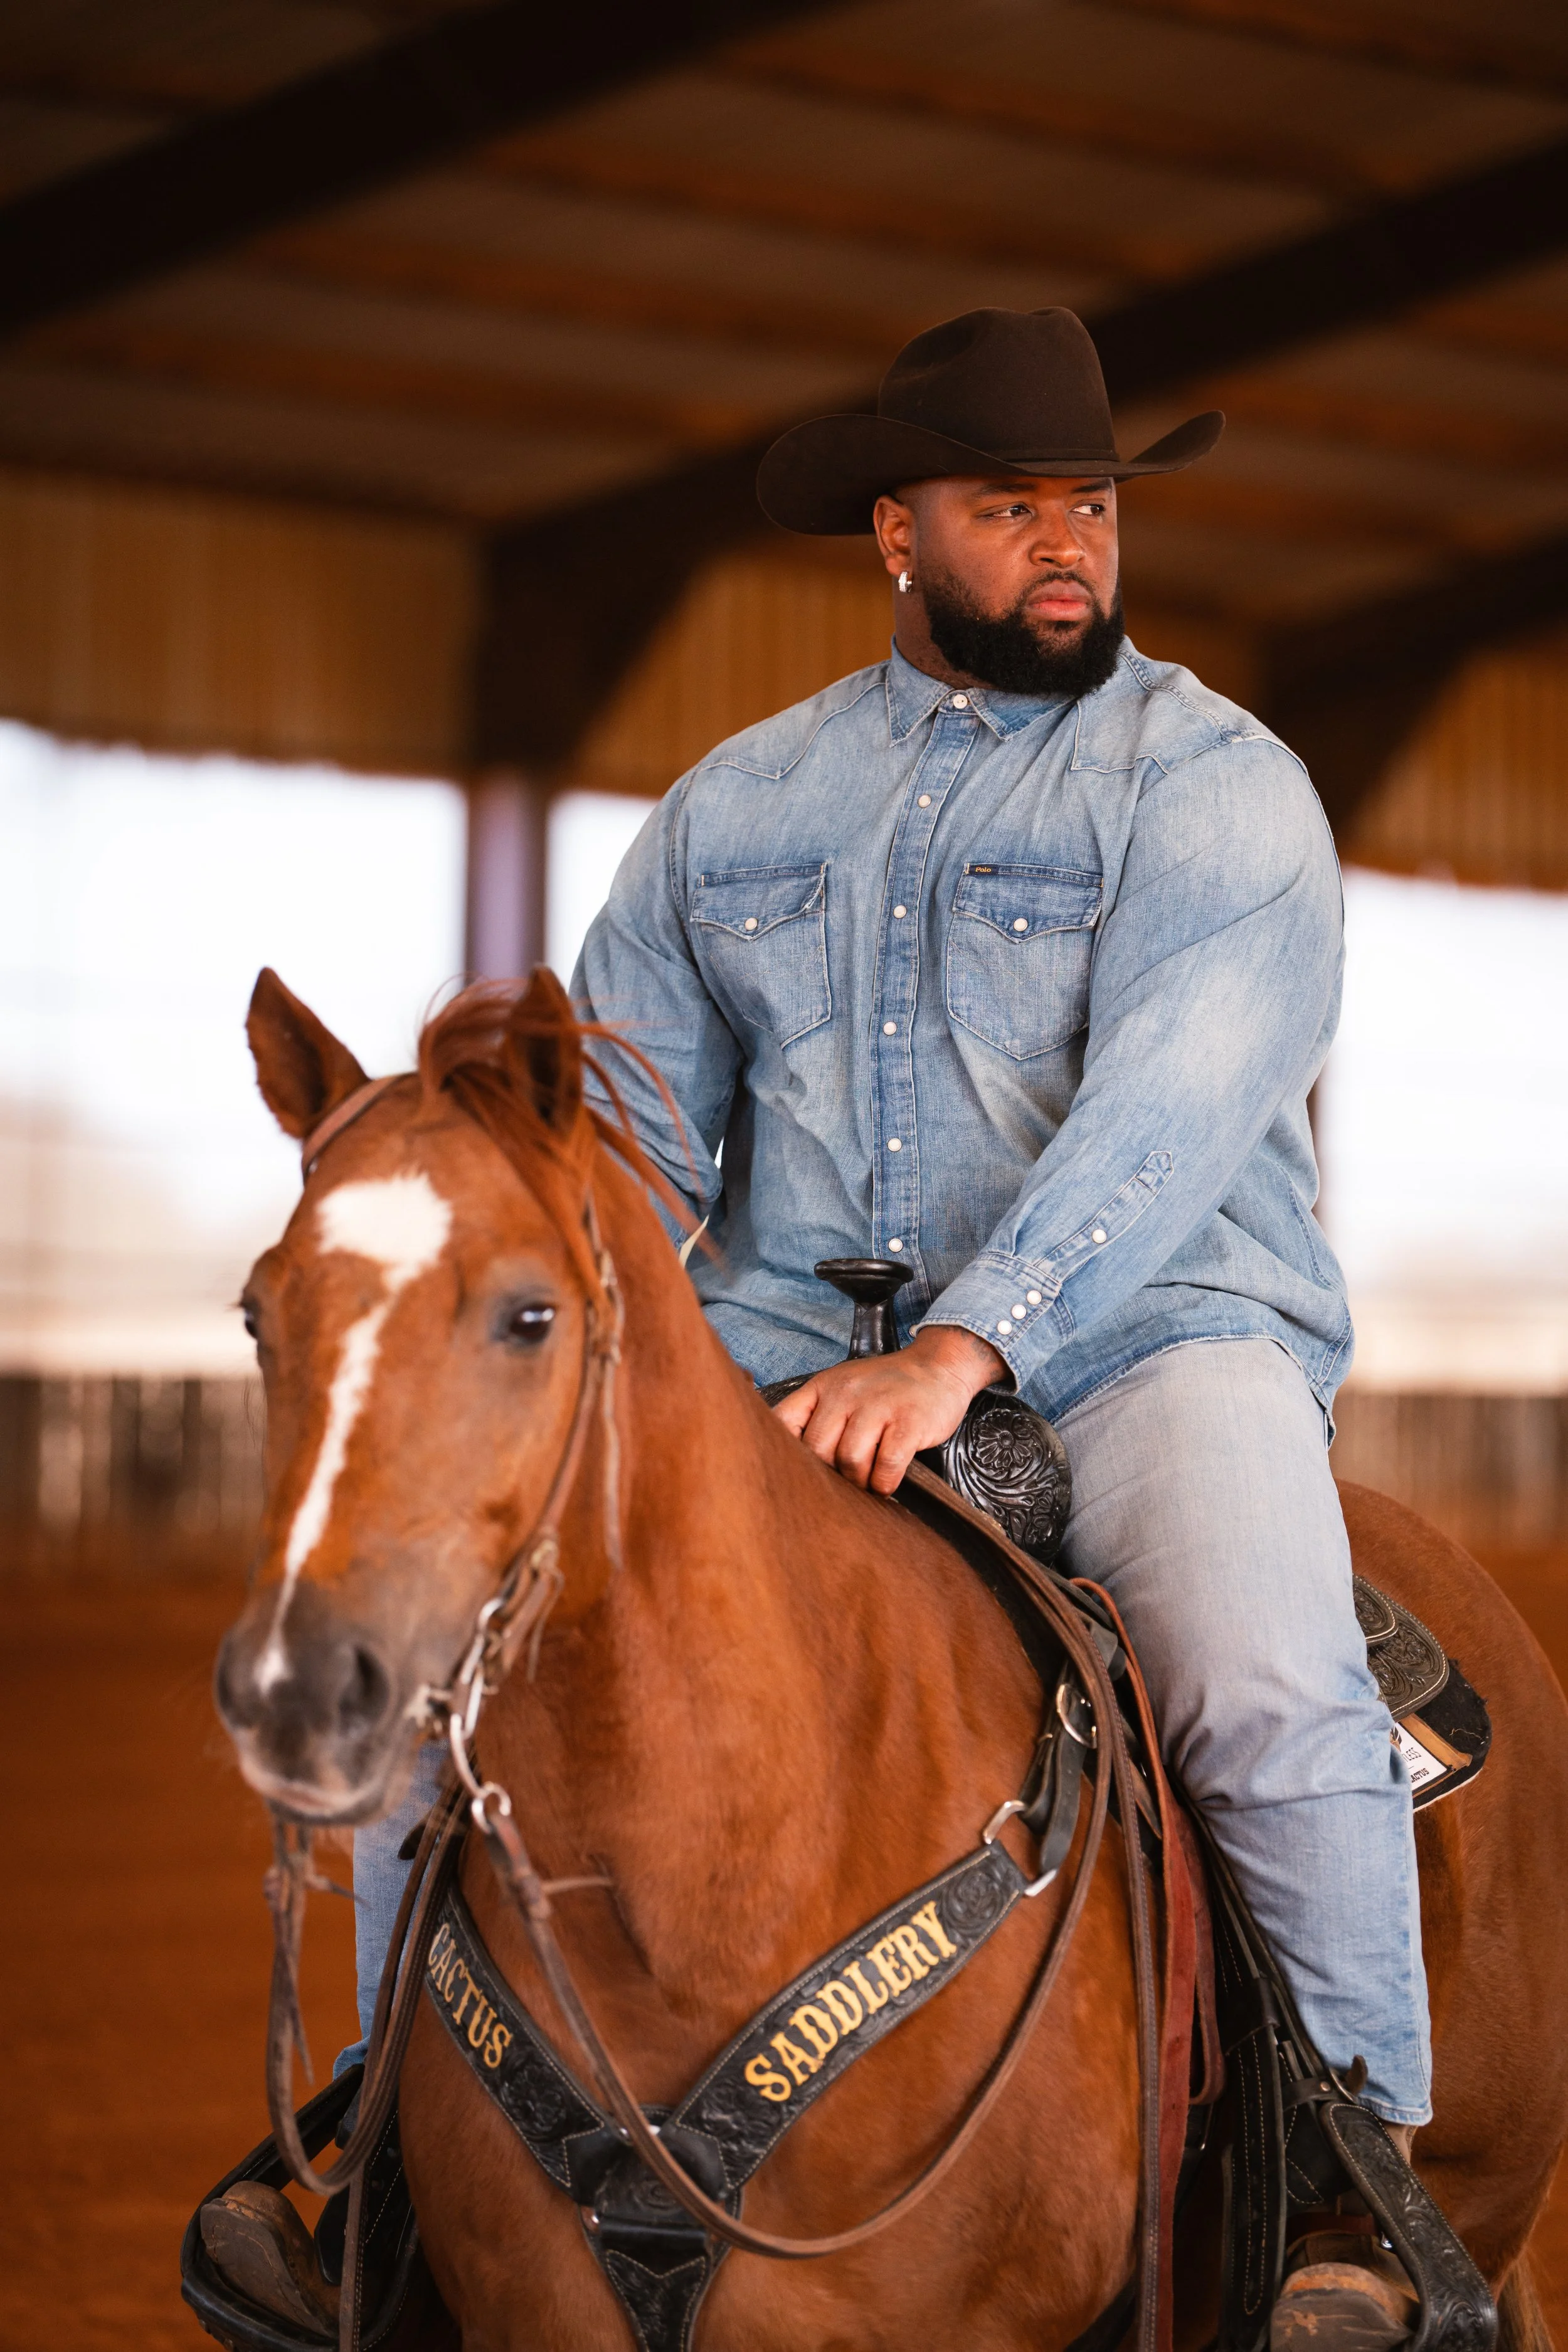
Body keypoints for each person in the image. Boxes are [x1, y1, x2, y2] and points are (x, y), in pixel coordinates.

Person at [347, 306, 1428, 2345]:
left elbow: (1175, 1112)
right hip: (773, 1348)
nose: (1064, 547)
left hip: (1154, 1335)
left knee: (1265, 1685)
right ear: (895, 532)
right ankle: (368, 2168)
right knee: (457, 1669)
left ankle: (1347, 2192)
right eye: (1008, 505)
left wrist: (964, 1347)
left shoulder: (1219, 788)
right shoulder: (731, 809)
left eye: (1089, 504)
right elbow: (642, 1140)